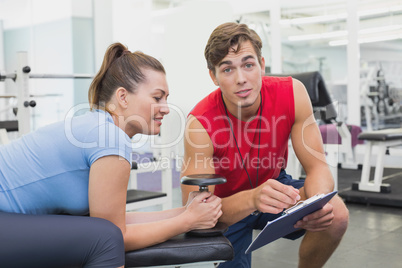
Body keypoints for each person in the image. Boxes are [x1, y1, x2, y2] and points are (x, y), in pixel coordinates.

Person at [0, 42, 222, 267]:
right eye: (157, 98)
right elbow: (116, 235)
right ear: (123, 98)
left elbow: (115, 222)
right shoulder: (110, 138)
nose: (166, 107)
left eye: (166, 98)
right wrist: (187, 221)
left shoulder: (101, 129)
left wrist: (185, 212)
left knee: (99, 231)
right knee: (105, 239)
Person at [180, 22, 349, 268]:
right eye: (227, 69)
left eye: (248, 65)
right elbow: (195, 210)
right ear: (213, 76)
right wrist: (252, 199)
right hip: (225, 206)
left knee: (335, 213)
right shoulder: (200, 124)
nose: (241, 79)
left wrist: (317, 204)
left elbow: (318, 168)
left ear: (261, 64)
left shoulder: (292, 93)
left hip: (275, 188)